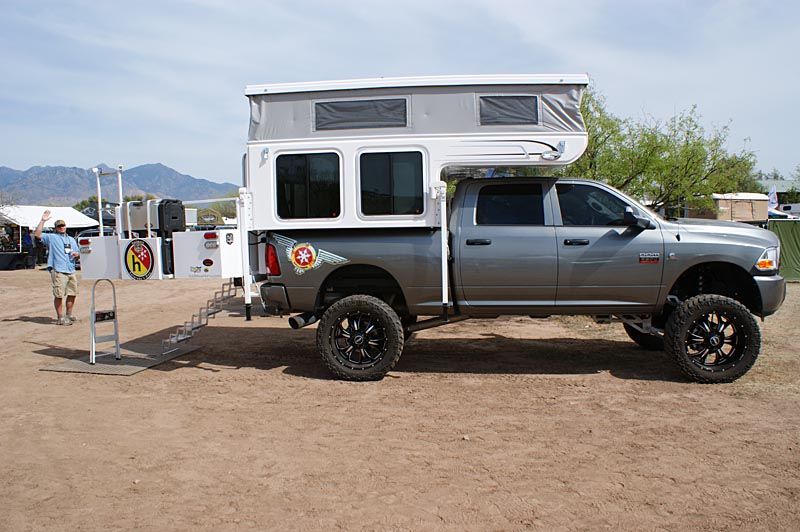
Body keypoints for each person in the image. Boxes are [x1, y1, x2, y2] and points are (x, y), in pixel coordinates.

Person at [34, 211, 80, 325]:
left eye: (63, 225)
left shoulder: (71, 239)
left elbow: (78, 252)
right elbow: (37, 235)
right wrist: (43, 220)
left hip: (71, 269)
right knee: (59, 294)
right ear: (55, 228)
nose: (61, 227)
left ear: (66, 226)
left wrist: (77, 254)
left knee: (72, 293)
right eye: (59, 226)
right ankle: (60, 318)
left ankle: (69, 315)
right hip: (58, 269)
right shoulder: (51, 237)